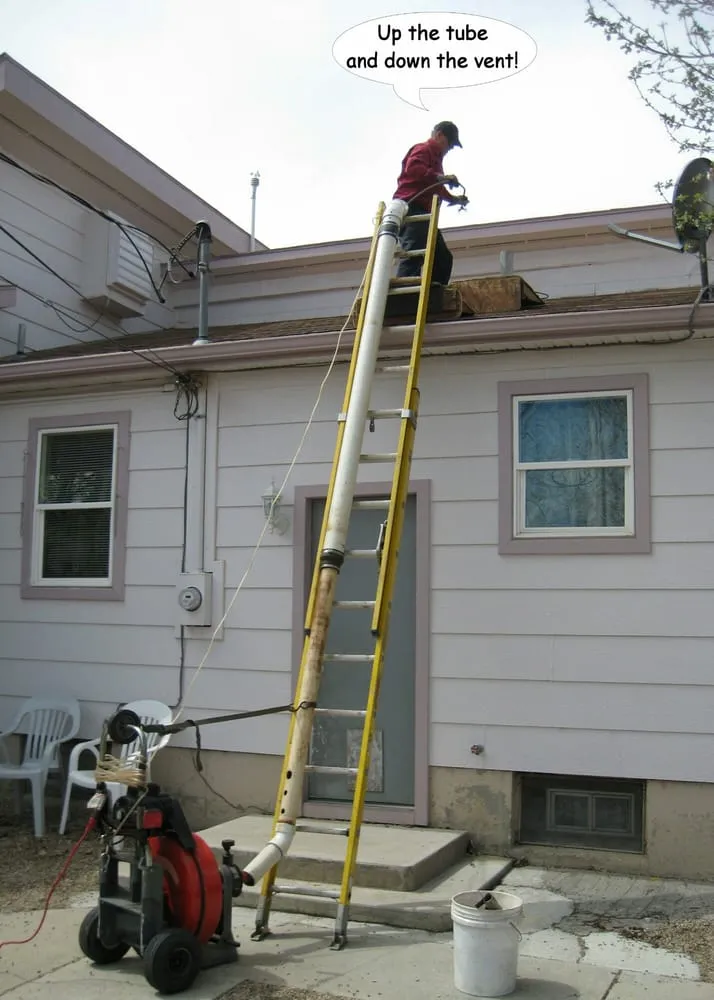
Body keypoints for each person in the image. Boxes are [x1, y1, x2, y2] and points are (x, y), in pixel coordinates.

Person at [392, 121, 468, 287]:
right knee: (415, 252)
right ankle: (400, 300)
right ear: (439, 135)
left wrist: (455, 199)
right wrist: (441, 177)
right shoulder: (423, 149)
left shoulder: (436, 161)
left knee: (443, 258)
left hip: (425, 215)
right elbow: (413, 169)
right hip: (411, 209)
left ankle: (433, 296)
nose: (450, 149)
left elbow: (436, 189)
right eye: (450, 144)